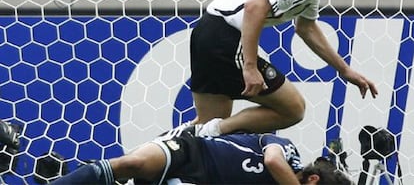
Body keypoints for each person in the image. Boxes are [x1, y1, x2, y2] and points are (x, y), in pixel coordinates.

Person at [189, 0, 378, 137]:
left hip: (206, 30)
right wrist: (249, 67)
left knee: (207, 123)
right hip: (226, 38)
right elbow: (254, 7)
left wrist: (345, 71)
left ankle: (153, 155)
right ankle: (210, 132)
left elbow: (306, 28)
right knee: (293, 109)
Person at [50, 126, 353, 185]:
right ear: (312, 180)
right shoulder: (288, 151)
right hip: (192, 151)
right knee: (132, 164)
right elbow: (272, 160)